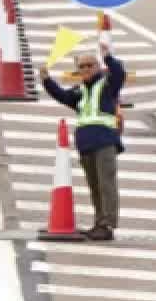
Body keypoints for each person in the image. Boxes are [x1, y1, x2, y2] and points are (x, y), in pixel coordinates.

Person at [42, 35, 125, 240]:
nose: (87, 69)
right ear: (78, 70)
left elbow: (119, 74)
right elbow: (62, 96)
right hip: (86, 145)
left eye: (90, 65)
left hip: (104, 142)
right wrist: (46, 80)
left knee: (107, 185)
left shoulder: (106, 86)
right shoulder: (80, 92)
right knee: (95, 186)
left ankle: (107, 225)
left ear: (97, 67)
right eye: (82, 66)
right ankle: (99, 223)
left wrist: (108, 57)